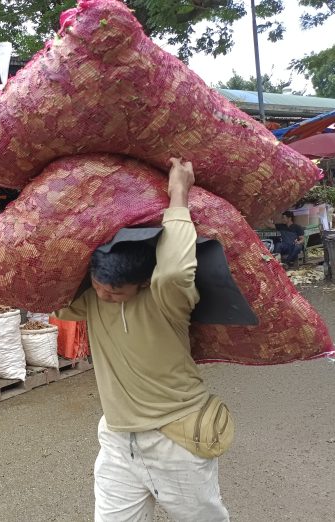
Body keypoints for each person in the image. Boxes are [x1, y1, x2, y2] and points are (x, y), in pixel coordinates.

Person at [56, 159, 230, 521]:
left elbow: (175, 270)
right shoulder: (89, 299)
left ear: (143, 282)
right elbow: (49, 290)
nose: (103, 296)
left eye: (115, 292)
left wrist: (178, 193)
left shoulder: (168, 298)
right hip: (118, 440)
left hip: (177, 439)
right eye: (98, 286)